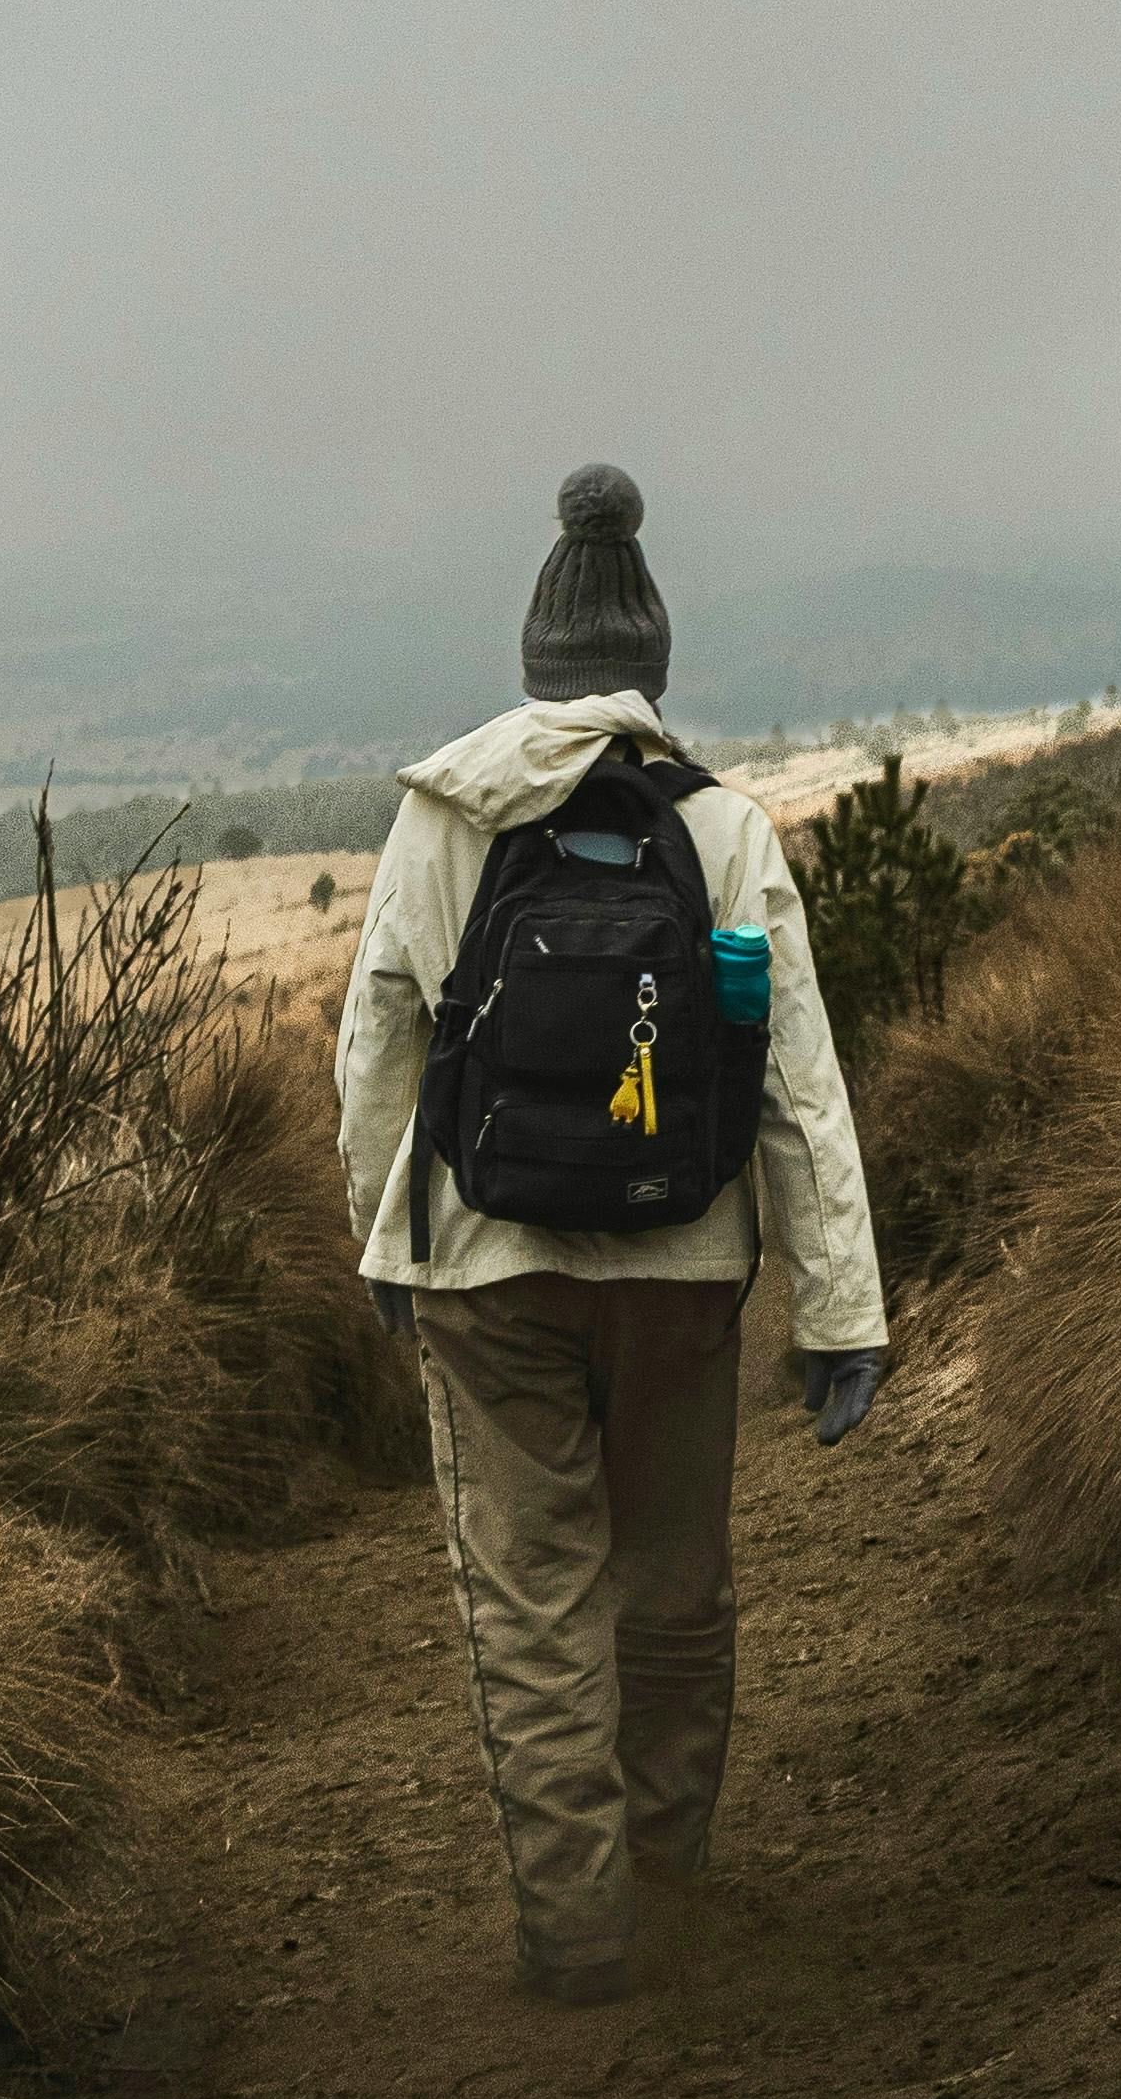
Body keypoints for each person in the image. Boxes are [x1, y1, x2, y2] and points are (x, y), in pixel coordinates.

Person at [335, 465, 888, 2006]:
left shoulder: (438, 821)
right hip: (681, 1267)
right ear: (648, 671)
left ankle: (578, 1933)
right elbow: (797, 1083)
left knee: (529, 1592)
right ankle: (669, 1877)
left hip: (482, 1273)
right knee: (670, 1580)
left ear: (536, 664)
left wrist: (392, 1243)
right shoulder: (721, 830)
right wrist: (840, 1311)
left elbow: (377, 1055)